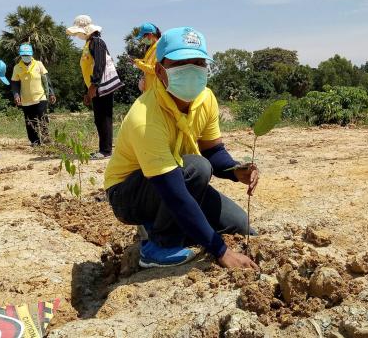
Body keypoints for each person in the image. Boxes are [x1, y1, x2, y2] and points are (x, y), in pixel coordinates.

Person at [105, 27, 260, 269]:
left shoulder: (206, 99)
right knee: (198, 168)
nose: (191, 69)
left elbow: (213, 151)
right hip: (129, 194)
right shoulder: (145, 117)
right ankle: (158, 245)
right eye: (180, 62)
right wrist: (221, 251)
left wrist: (233, 170)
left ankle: (178, 226)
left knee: (240, 224)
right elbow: (174, 193)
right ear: (159, 70)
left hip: (177, 177)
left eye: (198, 62)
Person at [66, 15, 123, 159]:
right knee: (99, 118)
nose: (78, 35)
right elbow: (89, 69)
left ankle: (106, 151)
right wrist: (88, 91)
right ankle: (103, 148)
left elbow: (99, 64)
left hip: (102, 86)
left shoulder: (97, 42)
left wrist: (94, 85)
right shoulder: (88, 43)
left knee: (104, 118)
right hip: (95, 86)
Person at [11, 43, 56, 146]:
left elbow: (46, 80)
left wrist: (51, 93)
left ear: (31, 54)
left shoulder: (39, 64)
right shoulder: (17, 68)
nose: (26, 57)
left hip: (40, 97)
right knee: (30, 122)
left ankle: (46, 140)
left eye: (28, 55)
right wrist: (16, 95)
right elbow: (15, 83)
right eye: (24, 55)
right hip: (26, 99)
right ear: (21, 55)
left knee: (42, 119)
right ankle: (34, 142)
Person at [133, 22, 161, 92]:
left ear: (150, 35)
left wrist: (139, 64)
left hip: (154, 90)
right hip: (149, 89)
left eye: (143, 37)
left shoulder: (159, 47)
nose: (143, 39)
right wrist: (137, 61)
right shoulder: (151, 47)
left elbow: (155, 69)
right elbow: (148, 62)